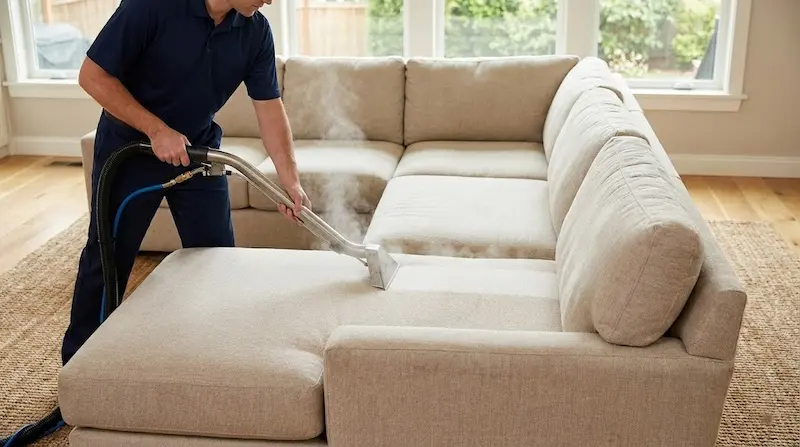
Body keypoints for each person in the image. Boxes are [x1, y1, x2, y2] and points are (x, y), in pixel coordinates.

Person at [61, 0, 311, 365]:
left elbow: (269, 106)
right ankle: (79, 365)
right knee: (108, 257)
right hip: (130, 151)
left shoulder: (255, 30)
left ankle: (213, 359)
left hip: (197, 151)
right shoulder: (151, 6)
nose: (270, 0)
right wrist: (156, 130)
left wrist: (290, 181)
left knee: (216, 259)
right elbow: (93, 76)